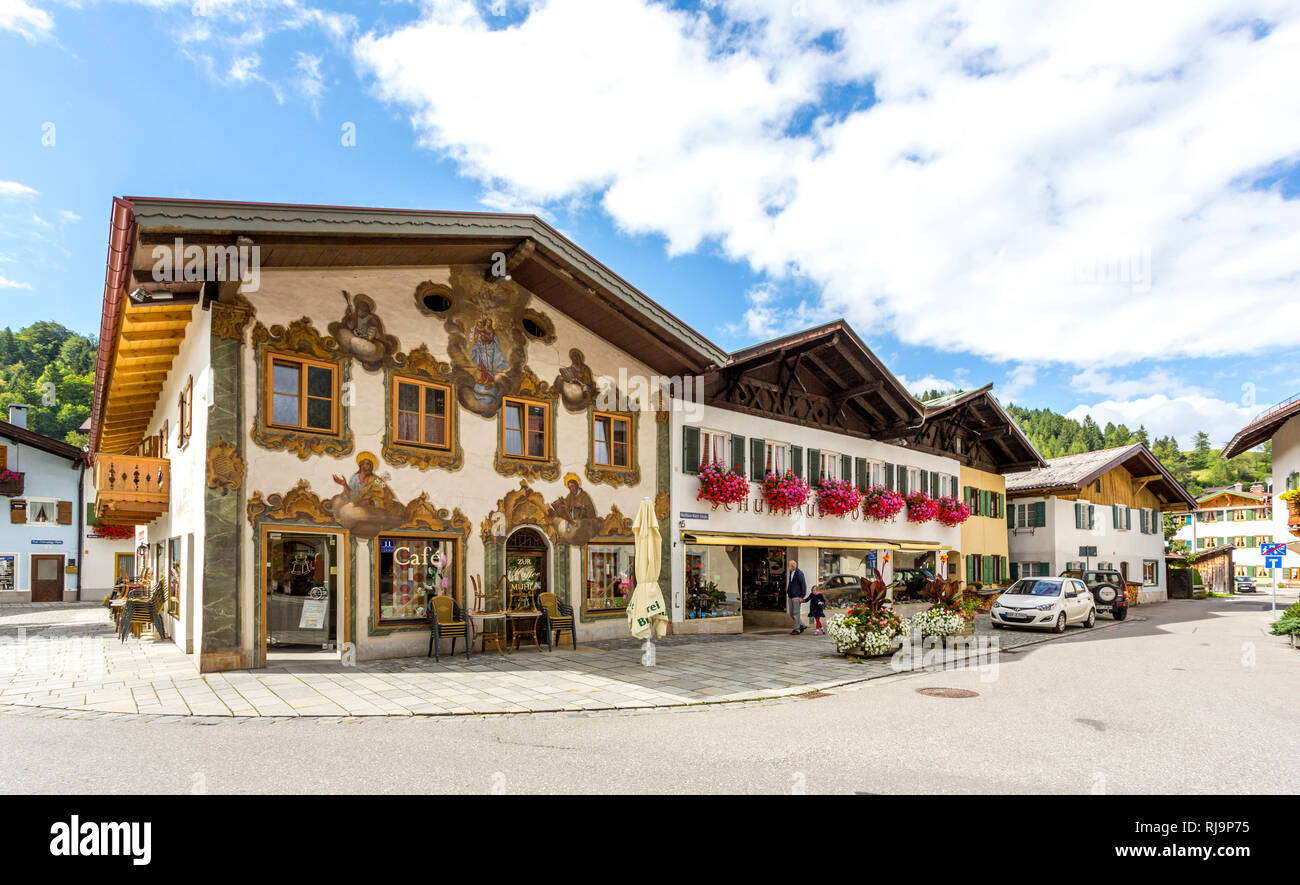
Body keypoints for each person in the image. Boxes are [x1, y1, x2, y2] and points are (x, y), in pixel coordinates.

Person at [785, 559, 808, 634]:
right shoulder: (791, 572)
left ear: (793, 566)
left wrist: (802, 596)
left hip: (797, 596)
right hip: (791, 596)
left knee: (796, 613)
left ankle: (797, 629)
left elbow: (803, 585)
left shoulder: (799, 573)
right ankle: (802, 625)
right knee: (791, 613)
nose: (788, 566)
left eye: (789, 565)